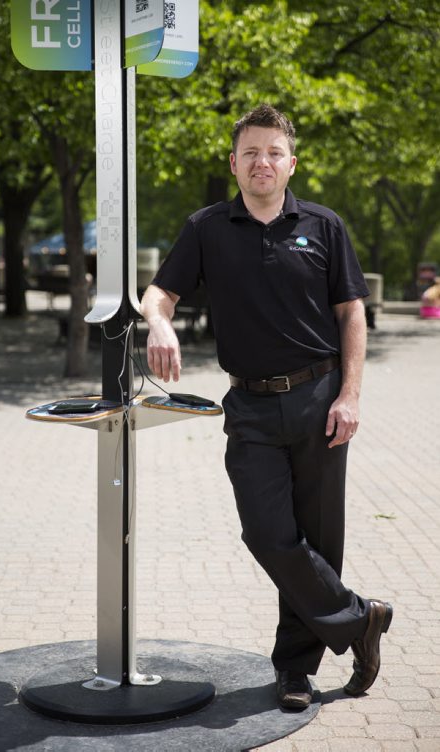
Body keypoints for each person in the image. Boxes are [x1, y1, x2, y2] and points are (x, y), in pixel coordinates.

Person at [140, 104, 392, 710]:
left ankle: (295, 671)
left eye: (273, 152)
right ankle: (360, 620)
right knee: (267, 533)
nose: (263, 162)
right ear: (234, 163)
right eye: (251, 152)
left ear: (290, 162)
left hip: (320, 398)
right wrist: (158, 324)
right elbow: (159, 292)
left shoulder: (324, 225)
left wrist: (351, 396)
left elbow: (351, 312)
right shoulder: (206, 227)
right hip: (249, 406)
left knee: (319, 539)